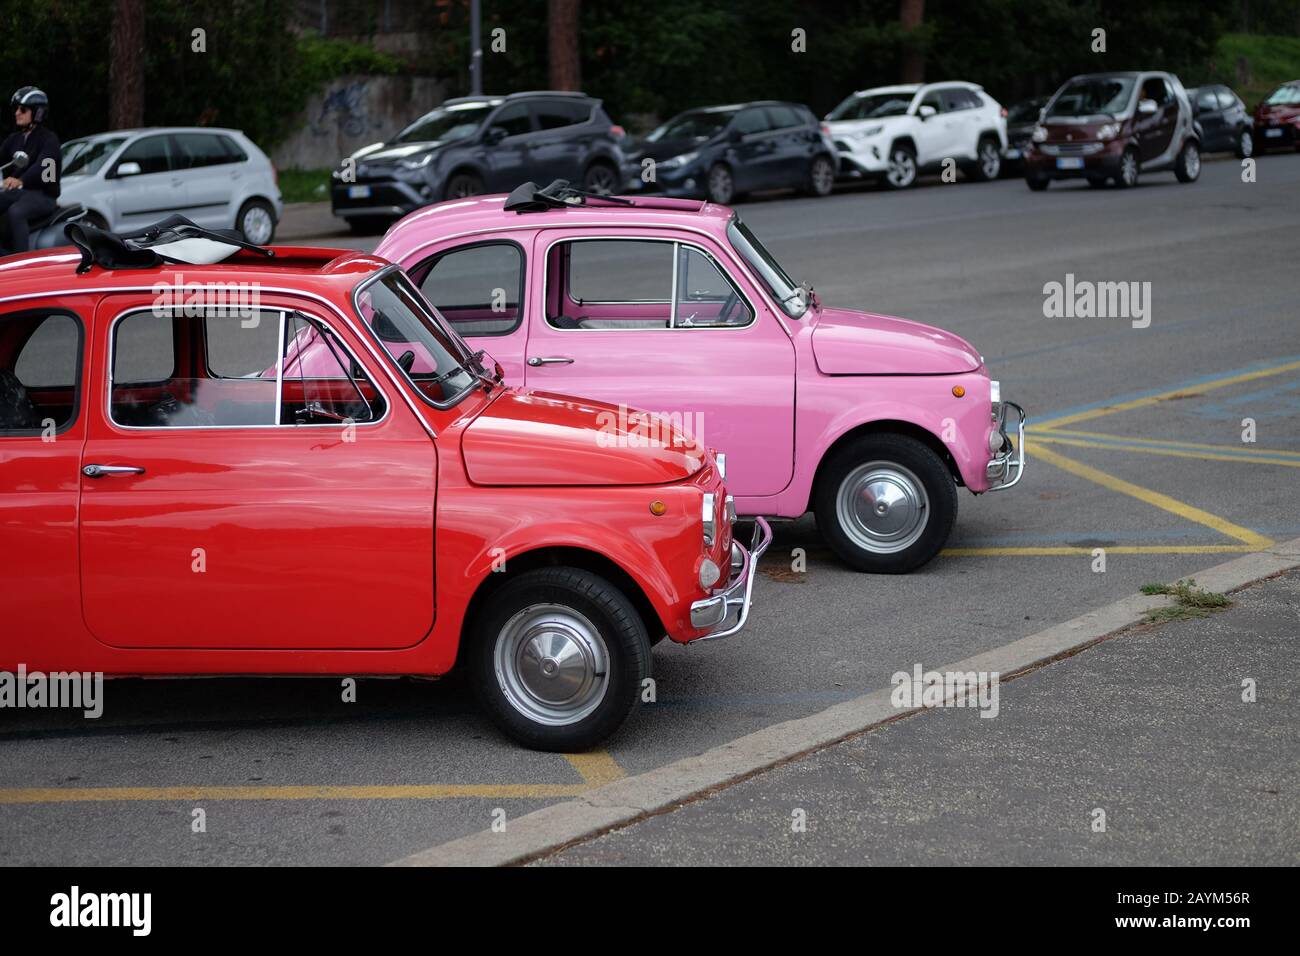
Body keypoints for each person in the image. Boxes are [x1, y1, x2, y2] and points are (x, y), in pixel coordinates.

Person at [0, 87, 61, 254]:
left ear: (38, 113)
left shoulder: (49, 139)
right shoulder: (14, 139)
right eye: (16, 109)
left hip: (44, 196)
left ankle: (21, 261)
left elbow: (44, 166)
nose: (17, 113)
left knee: (16, 212)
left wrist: (21, 180)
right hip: (19, 193)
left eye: (23, 109)